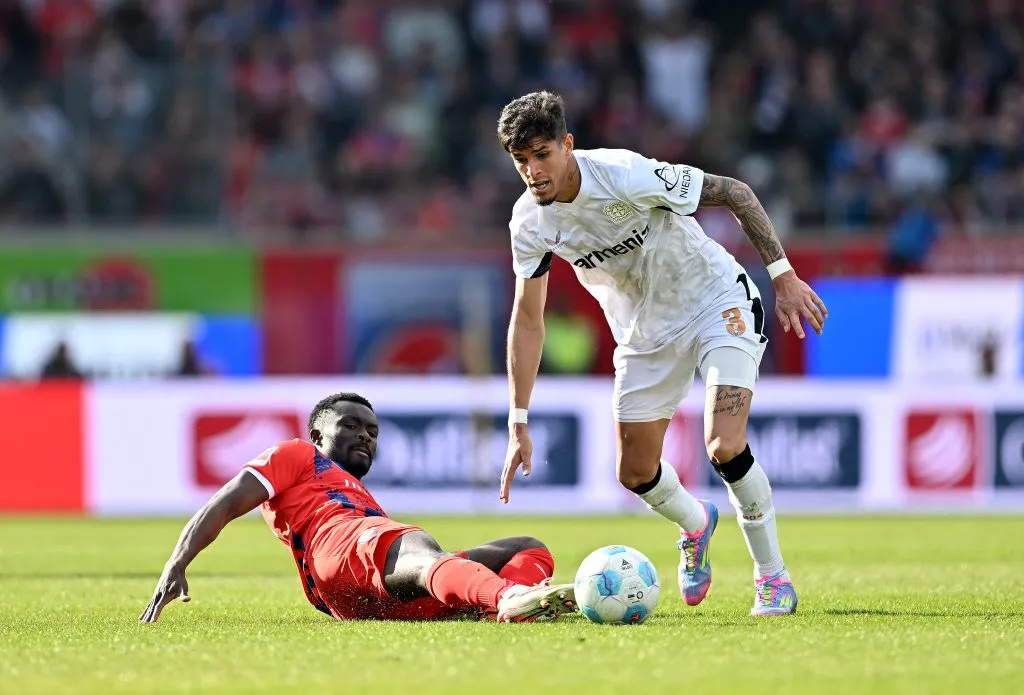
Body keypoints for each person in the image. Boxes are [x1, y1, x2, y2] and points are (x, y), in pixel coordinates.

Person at [497, 91, 828, 616]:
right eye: (521, 161)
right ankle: (696, 523)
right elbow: (528, 318)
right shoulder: (529, 224)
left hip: (716, 301)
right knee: (634, 473)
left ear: (568, 145)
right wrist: (519, 418)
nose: (532, 171)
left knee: (723, 444)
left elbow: (736, 192)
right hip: (645, 334)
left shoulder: (624, 175)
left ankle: (773, 578)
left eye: (542, 154)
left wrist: (782, 274)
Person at [140, 392, 576, 624]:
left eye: (372, 430)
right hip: (337, 545)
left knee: (527, 547)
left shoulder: (358, 495)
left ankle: (507, 607)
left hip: (365, 595)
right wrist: (177, 562)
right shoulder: (298, 455)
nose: (365, 435)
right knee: (414, 544)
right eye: (350, 425)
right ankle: (508, 597)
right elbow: (226, 502)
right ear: (316, 434)